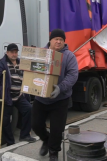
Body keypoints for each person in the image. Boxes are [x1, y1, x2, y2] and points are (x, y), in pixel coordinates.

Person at [32, 29, 79, 161]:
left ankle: (53, 152)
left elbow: (73, 75)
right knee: (36, 124)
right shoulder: (41, 53)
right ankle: (46, 140)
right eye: (56, 39)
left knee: (57, 130)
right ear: (50, 40)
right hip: (41, 98)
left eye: (61, 39)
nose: (58, 41)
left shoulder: (69, 56)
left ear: (64, 42)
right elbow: (32, 69)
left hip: (60, 100)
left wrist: (60, 88)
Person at [0, 43, 36, 146]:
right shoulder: (1, 64)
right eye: (12, 52)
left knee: (28, 109)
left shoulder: (21, 63)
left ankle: (24, 135)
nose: (14, 54)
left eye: (16, 52)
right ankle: (10, 142)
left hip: (19, 96)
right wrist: (1, 92)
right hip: (7, 96)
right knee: (5, 120)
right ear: (7, 53)